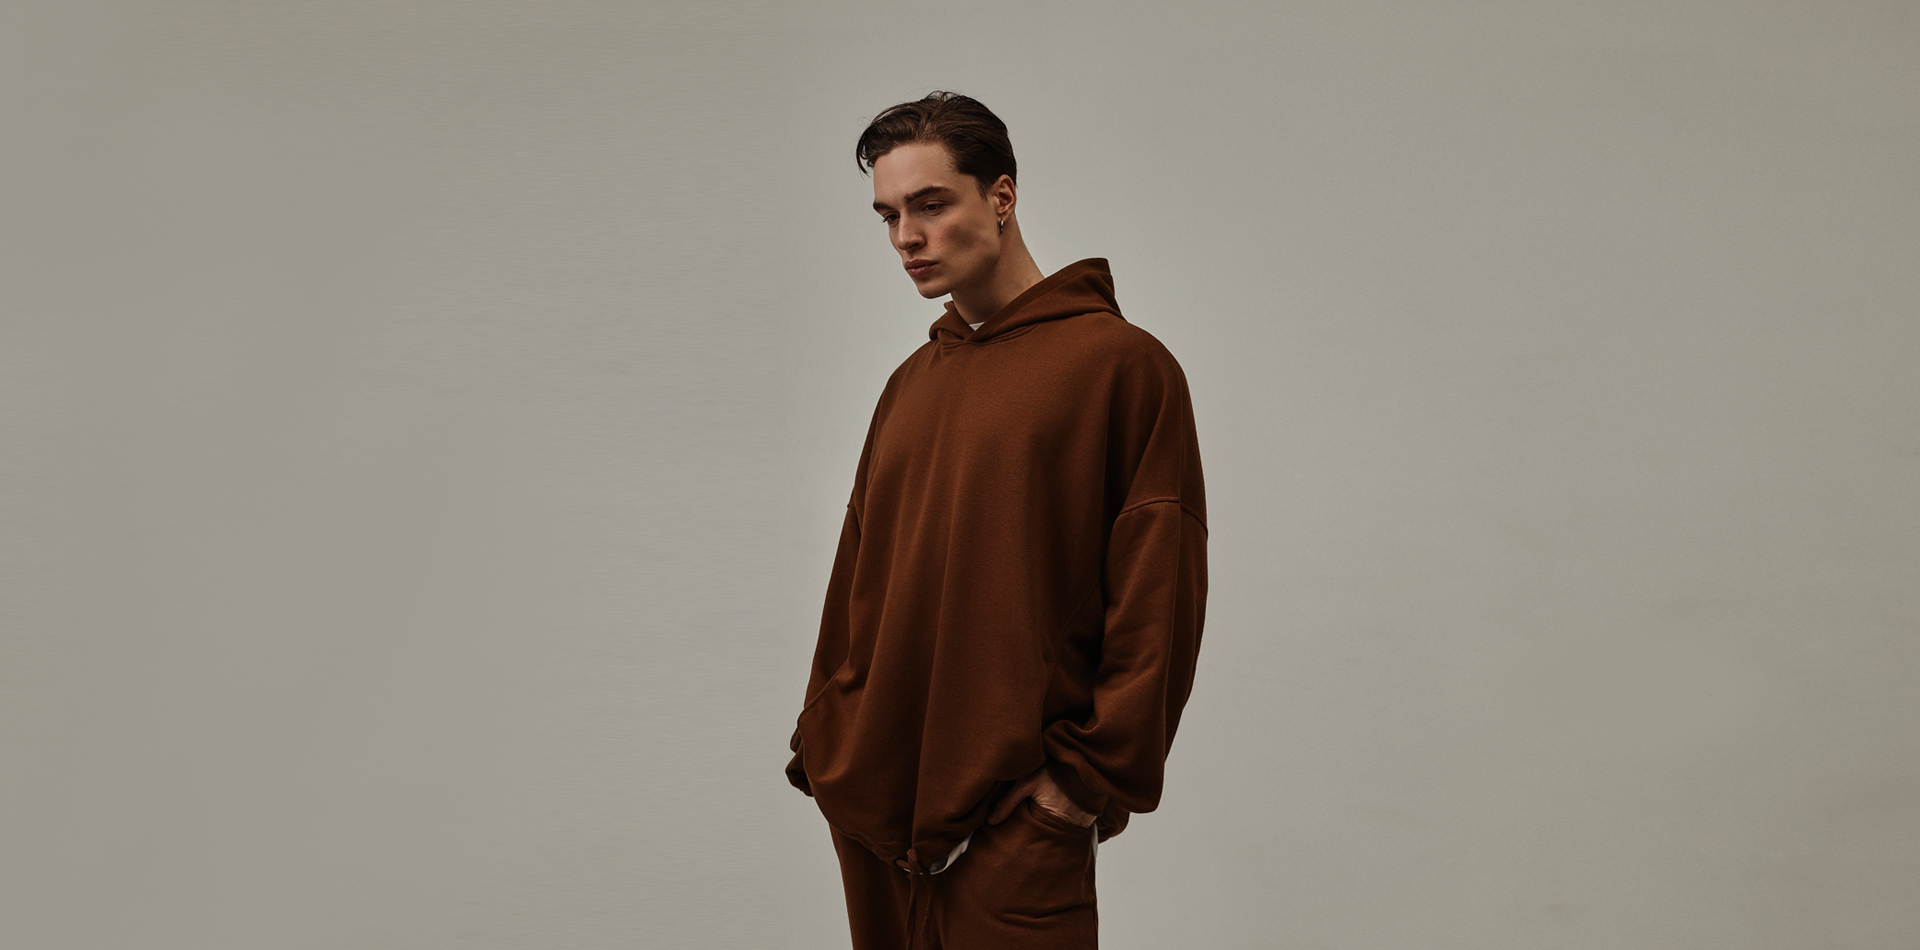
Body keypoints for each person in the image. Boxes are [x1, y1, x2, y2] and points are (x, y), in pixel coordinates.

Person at [785, 91, 1209, 950]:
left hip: (1016, 828)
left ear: (1002, 197)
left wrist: (1079, 787)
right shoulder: (910, 385)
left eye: (930, 205)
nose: (906, 237)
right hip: (872, 819)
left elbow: (1156, 598)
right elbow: (858, 576)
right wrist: (825, 740)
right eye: (889, 215)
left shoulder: (1123, 368)